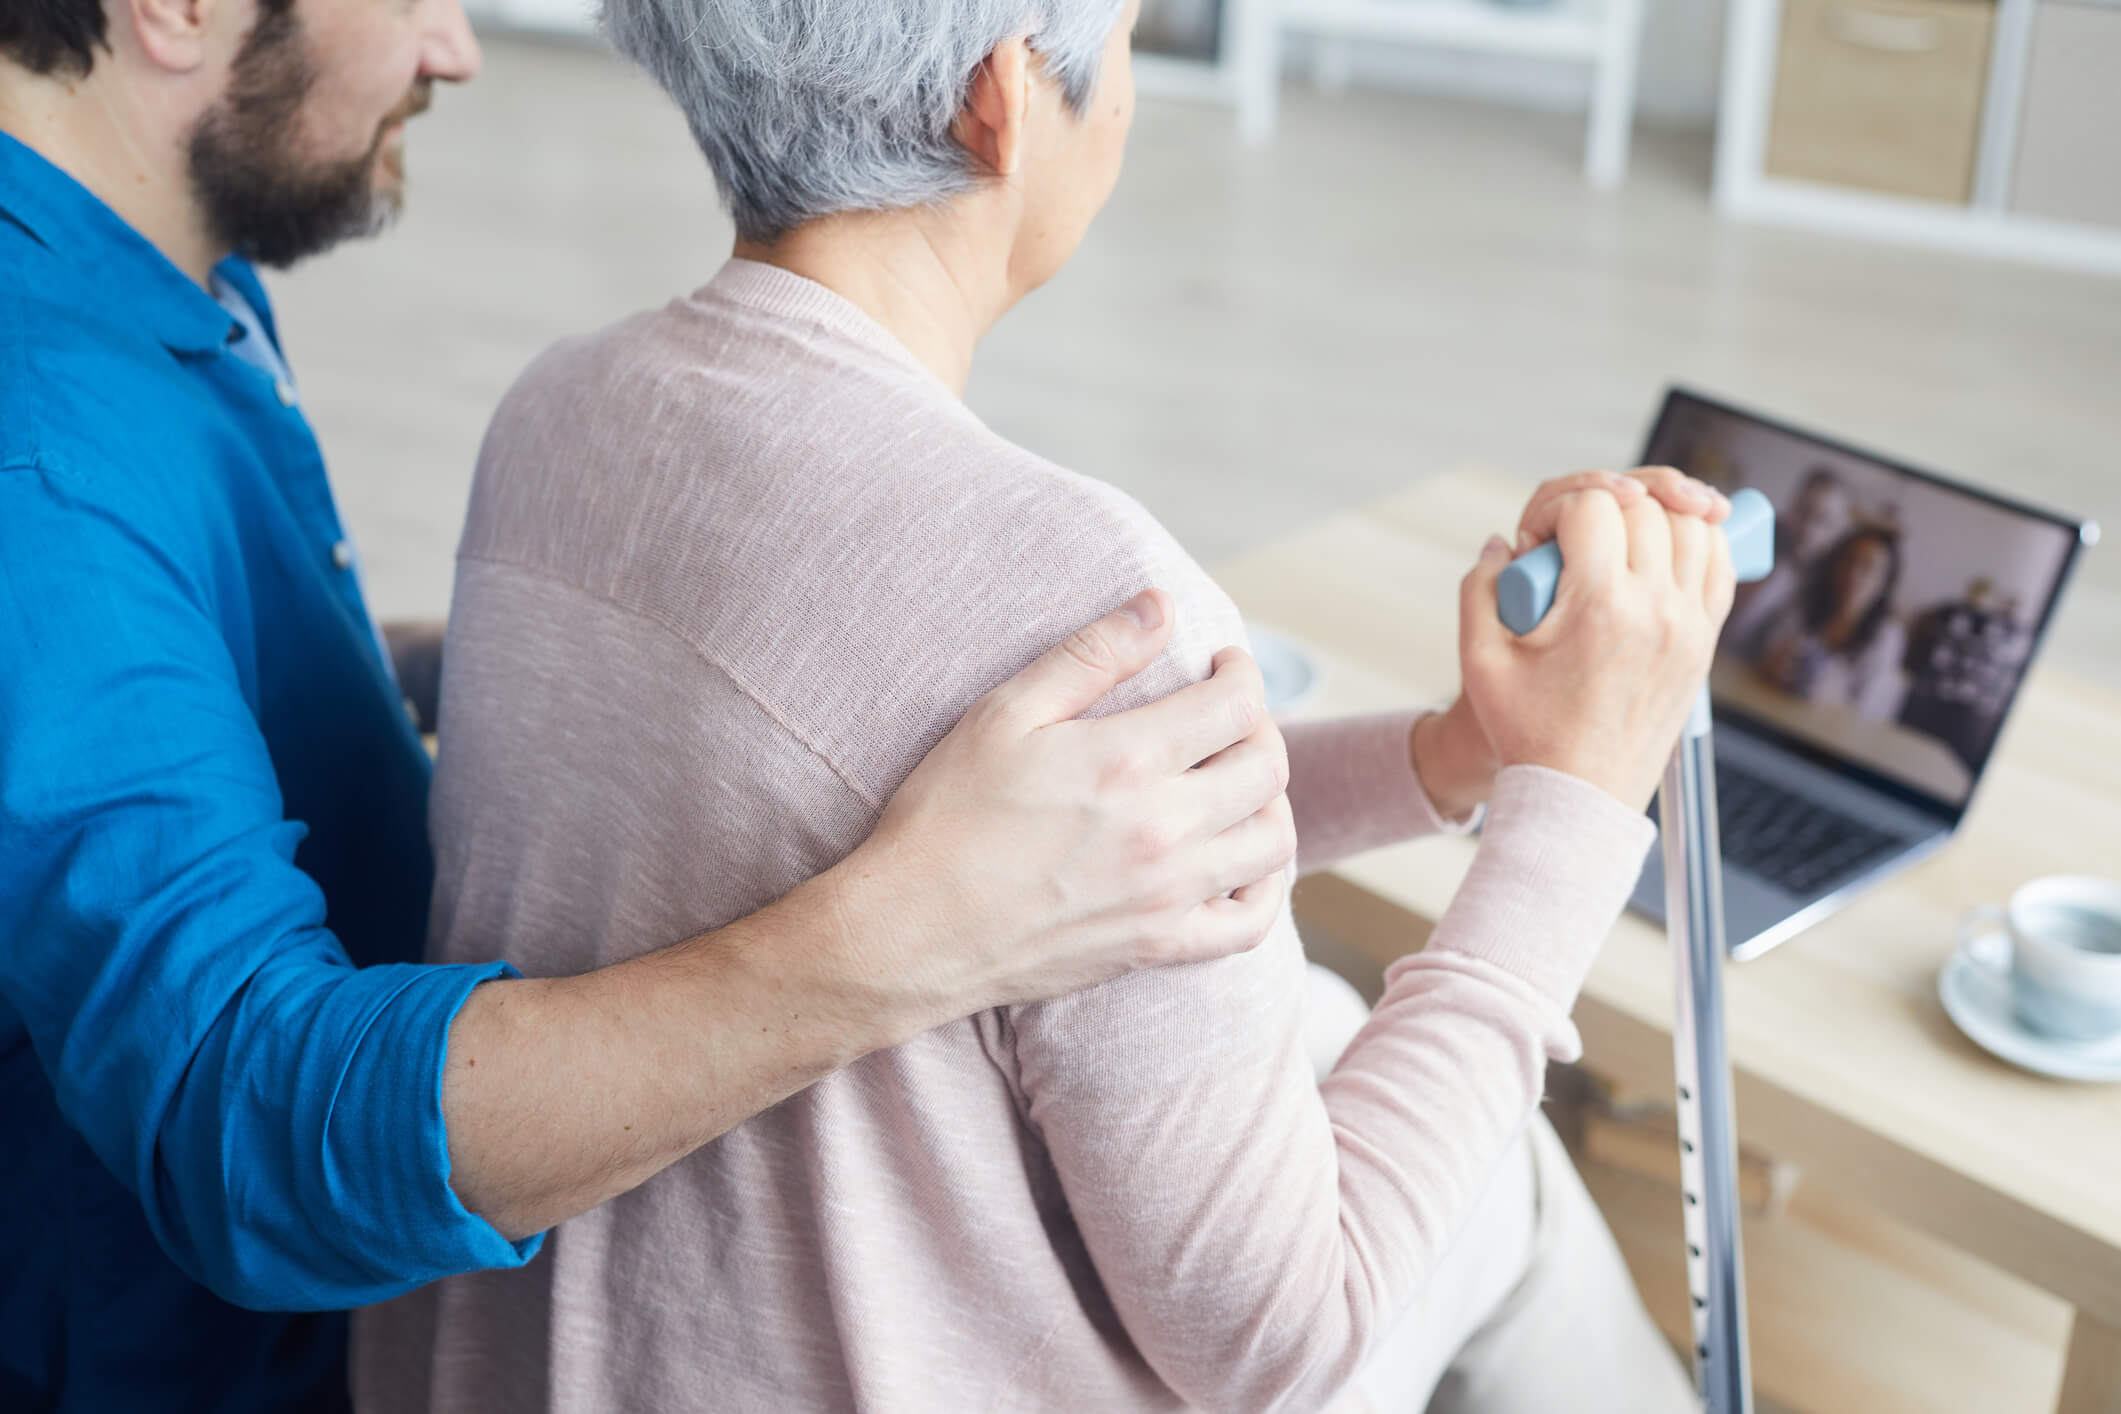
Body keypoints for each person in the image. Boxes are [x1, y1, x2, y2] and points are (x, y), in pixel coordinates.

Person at [353, 1, 1737, 1409]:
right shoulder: (1081, 593)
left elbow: (1027, 804)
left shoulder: (558, 414)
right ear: (1000, 101)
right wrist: (1574, 796)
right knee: (1498, 1178)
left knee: (1326, 1027)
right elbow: (1285, 1338)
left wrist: (1451, 759)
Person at [0, 1, 1307, 1409]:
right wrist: (904, 930)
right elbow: (242, 1128)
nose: (457, 49)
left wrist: (535, 639)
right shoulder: (40, 461)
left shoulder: (160, 268)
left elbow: (154, 669)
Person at [1756, 524, 1908, 719]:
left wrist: (1827, 694)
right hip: (1772, 711)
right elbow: (1765, 655)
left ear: (1885, 583)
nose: (1854, 575)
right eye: (1849, 561)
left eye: (1868, 568)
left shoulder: (1888, 637)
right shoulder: (1803, 606)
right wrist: (1774, 663)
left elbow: (1867, 710)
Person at [1725, 463, 1852, 661]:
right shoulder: (1751, 539)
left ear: (1838, 529)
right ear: (1792, 506)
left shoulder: (1832, 587)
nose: (1809, 529)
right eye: (1805, 512)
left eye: (1824, 521)